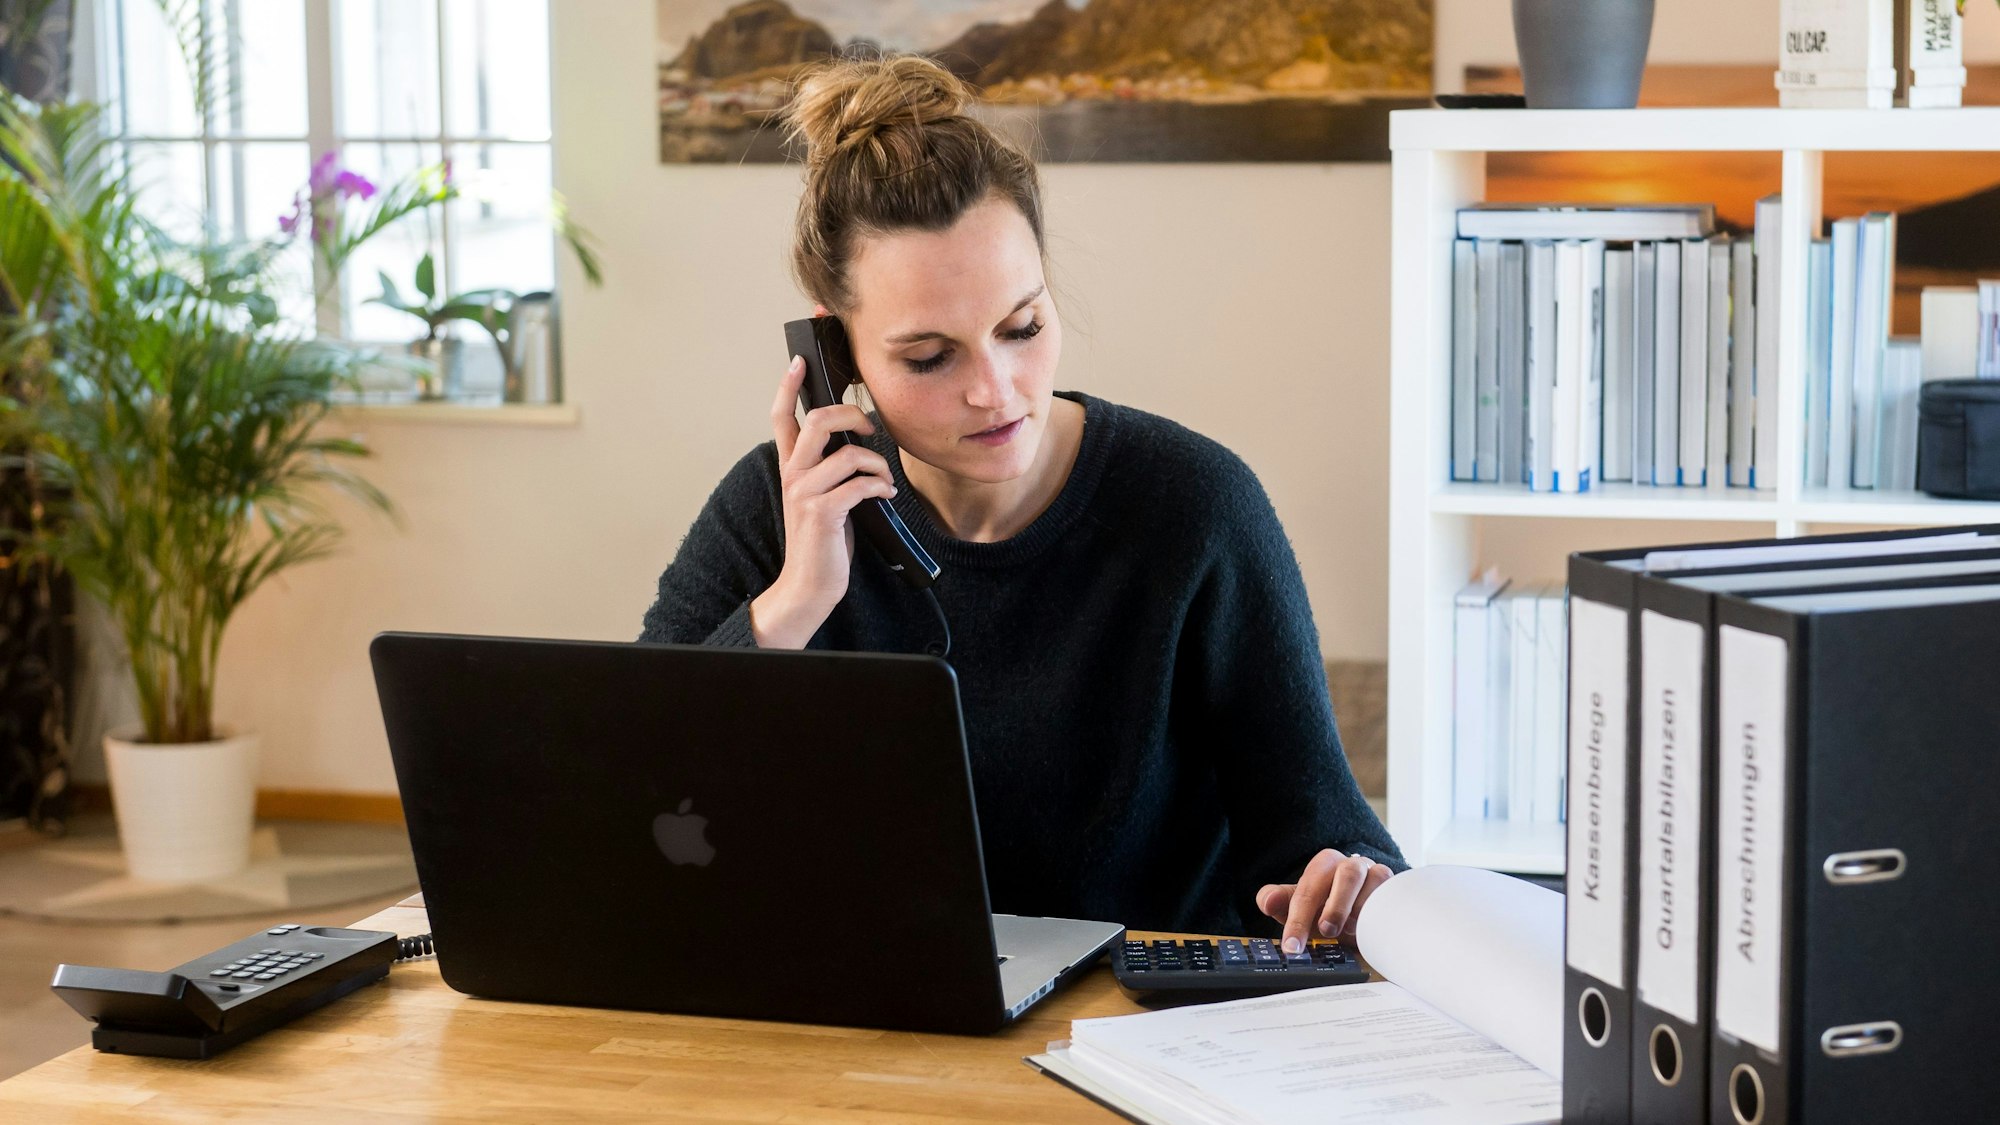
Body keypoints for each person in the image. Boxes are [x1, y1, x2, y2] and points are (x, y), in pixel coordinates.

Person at [640, 53, 1404, 949]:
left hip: (1136, 1034)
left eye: (1023, 328)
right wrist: (792, 605)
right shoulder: (778, 509)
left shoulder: (1196, 506)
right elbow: (635, 793)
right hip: (863, 1023)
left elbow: (1324, 829)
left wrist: (1349, 883)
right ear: (834, 353)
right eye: (930, 357)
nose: (997, 391)